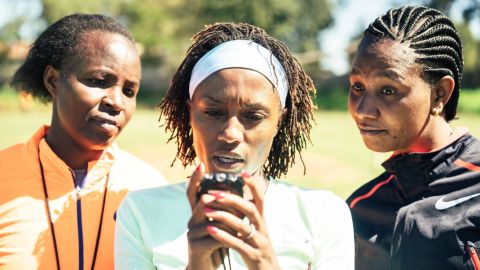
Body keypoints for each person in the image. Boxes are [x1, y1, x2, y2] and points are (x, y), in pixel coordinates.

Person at [115, 22, 354, 269]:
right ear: (190, 113)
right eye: (214, 112)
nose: (230, 134)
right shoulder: (141, 211)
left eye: (253, 116)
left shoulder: (323, 213)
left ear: (279, 121)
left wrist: (265, 264)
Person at [0, 14, 166, 269]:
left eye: (129, 91)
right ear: (53, 80)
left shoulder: (148, 188)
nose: (117, 101)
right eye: (99, 81)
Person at [345, 5, 480, 270]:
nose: (362, 110)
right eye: (358, 86)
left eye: (388, 89)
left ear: (440, 93)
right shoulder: (358, 209)